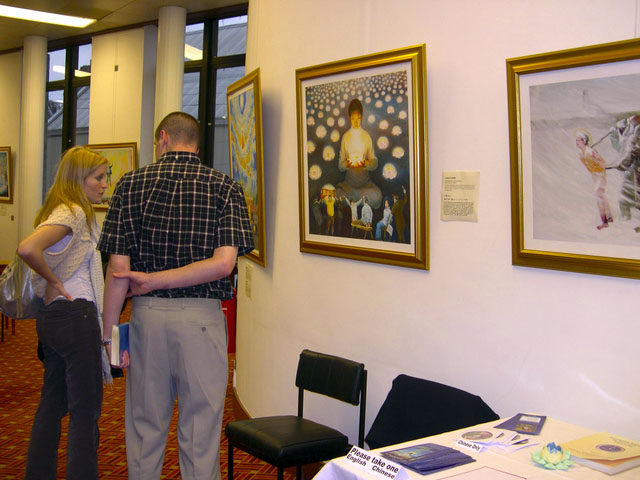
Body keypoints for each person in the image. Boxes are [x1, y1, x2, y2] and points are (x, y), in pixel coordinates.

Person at [98, 112, 254, 480]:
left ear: (164, 138)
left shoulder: (130, 184)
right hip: (203, 320)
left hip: (146, 319)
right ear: (197, 144)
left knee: (145, 428)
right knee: (201, 435)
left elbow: (118, 271)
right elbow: (224, 264)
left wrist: (109, 337)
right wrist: (157, 281)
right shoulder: (225, 187)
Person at [17, 146, 111, 480]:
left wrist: (52, 282)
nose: (104, 184)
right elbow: (27, 248)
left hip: (53, 318)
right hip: (76, 316)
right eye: (98, 178)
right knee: (85, 411)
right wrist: (54, 280)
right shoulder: (73, 212)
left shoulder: (57, 208)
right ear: (77, 179)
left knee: (53, 402)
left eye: (106, 177)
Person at [336, 98, 382, 208]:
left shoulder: (366, 136)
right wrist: (347, 164)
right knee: (336, 195)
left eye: (358, 118)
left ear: (361, 117)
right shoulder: (346, 137)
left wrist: (365, 163)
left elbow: (374, 162)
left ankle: (355, 198)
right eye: (353, 118)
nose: (356, 122)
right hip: (349, 184)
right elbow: (340, 166)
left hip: (365, 184)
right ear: (349, 118)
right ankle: (358, 199)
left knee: (377, 196)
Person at [575, 131, 612, 230]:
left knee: (598, 195)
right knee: (601, 195)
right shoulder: (580, 154)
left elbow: (603, 163)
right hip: (594, 175)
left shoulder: (590, 151)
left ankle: (604, 222)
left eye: (578, 140)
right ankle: (609, 217)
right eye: (576, 140)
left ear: (583, 141)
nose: (576, 142)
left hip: (600, 174)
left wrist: (596, 160)